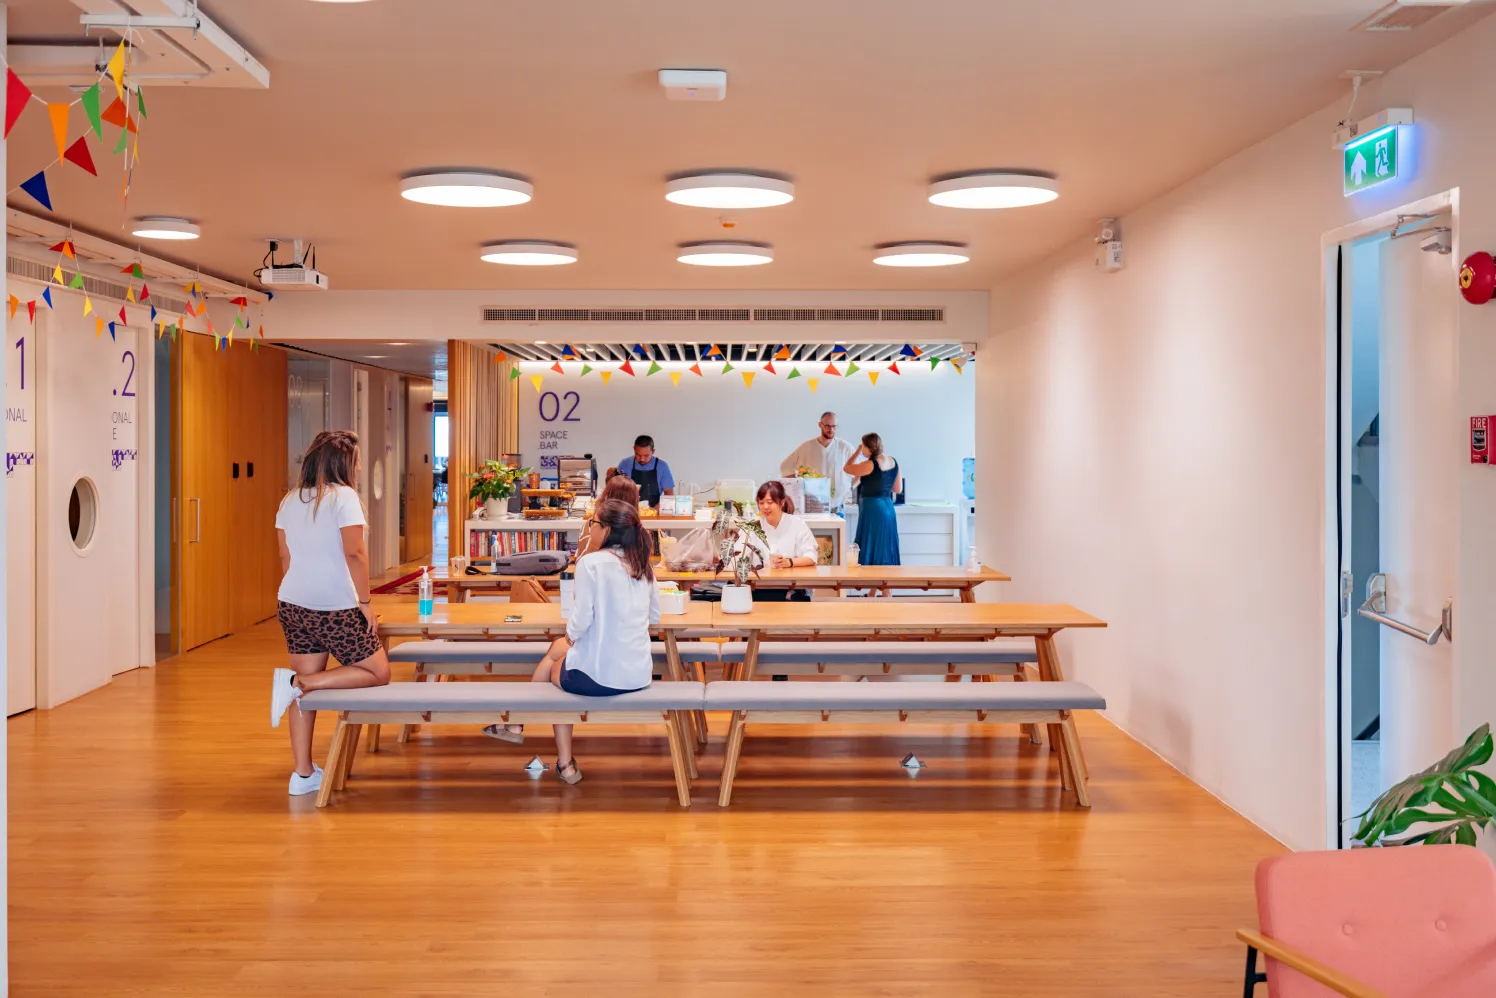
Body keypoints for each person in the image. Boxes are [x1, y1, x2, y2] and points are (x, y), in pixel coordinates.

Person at [482, 499, 660, 784]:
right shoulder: (642, 565)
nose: (590, 529)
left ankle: (556, 756)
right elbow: (655, 615)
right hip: (639, 675)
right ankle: (517, 727)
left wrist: (569, 639)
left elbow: (581, 620)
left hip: (600, 678)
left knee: (555, 669)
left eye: (593, 523)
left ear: (607, 530)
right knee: (557, 651)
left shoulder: (591, 563)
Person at [269, 430, 392, 796]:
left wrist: (302, 590)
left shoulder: (290, 499)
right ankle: (300, 683)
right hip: (334, 606)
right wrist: (365, 603)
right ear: (343, 463)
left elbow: (285, 556)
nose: (358, 468)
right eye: (356, 461)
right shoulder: (344, 497)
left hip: (292, 603)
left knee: (303, 687)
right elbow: (355, 553)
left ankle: (302, 774)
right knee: (378, 671)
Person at [751, 480, 818, 604]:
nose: (765, 507)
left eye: (770, 502)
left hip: (790, 585)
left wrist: (789, 562)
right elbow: (738, 556)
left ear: (782, 503)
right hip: (759, 585)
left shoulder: (797, 524)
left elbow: (811, 557)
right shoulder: (753, 526)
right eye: (761, 502)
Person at [845, 432, 901, 567]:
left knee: (871, 543)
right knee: (885, 546)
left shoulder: (870, 464)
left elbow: (847, 467)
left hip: (872, 508)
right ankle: (882, 580)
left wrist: (857, 452)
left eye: (862, 446)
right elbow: (897, 489)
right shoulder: (893, 461)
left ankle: (875, 579)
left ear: (868, 447)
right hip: (888, 507)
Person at [780, 411, 856, 512]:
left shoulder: (845, 448)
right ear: (820, 425)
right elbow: (785, 467)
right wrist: (798, 484)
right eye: (827, 426)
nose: (831, 430)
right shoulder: (806, 447)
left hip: (838, 505)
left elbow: (861, 471)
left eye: (834, 426)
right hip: (813, 505)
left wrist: (849, 489)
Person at [614, 435, 675, 509]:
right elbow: (615, 490)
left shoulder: (662, 467)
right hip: (629, 511)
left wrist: (654, 511)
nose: (642, 459)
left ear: (653, 451)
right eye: (638, 455)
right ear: (634, 449)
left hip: (654, 512)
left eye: (646, 455)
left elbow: (669, 495)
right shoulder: (625, 464)